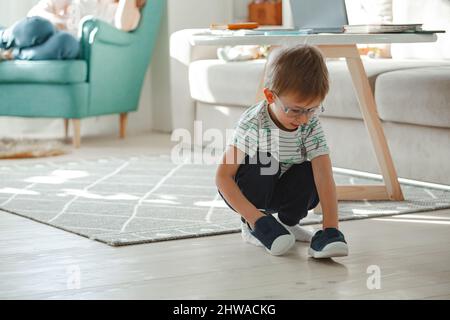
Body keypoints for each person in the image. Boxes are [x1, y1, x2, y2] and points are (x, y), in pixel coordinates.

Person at [215, 45, 349, 258]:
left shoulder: (310, 124)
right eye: (295, 110)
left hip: (284, 189)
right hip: (254, 192)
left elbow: (324, 176)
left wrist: (330, 228)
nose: (303, 119)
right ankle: (252, 226)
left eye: (312, 109)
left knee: (310, 169)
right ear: (270, 96)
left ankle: (288, 224)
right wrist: (256, 219)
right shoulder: (254, 123)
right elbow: (223, 176)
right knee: (264, 161)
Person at [0, 0, 146, 61]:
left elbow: (123, 24)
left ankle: (12, 54)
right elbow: (36, 11)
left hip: (66, 45)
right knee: (41, 26)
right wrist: (59, 22)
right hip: (45, 30)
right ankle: (3, 37)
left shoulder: (128, 11)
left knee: (67, 42)